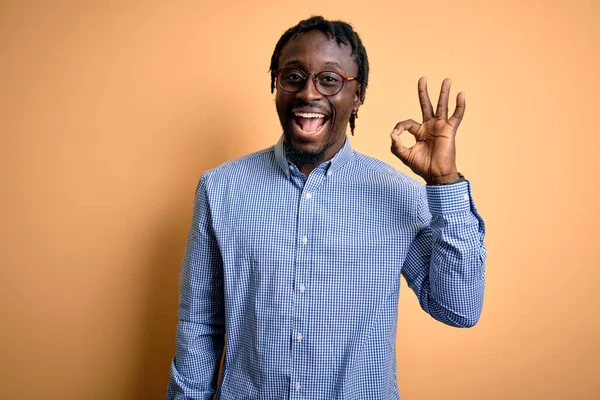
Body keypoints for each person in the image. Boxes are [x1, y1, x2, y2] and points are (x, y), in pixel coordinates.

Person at [167, 15, 486, 400]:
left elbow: (459, 309)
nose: (308, 93)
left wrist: (443, 182)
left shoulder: (400, 193)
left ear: (358, 95)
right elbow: (199, 326)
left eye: (330, 79)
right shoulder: (220, 188)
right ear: (276, 85)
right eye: (294, 76)